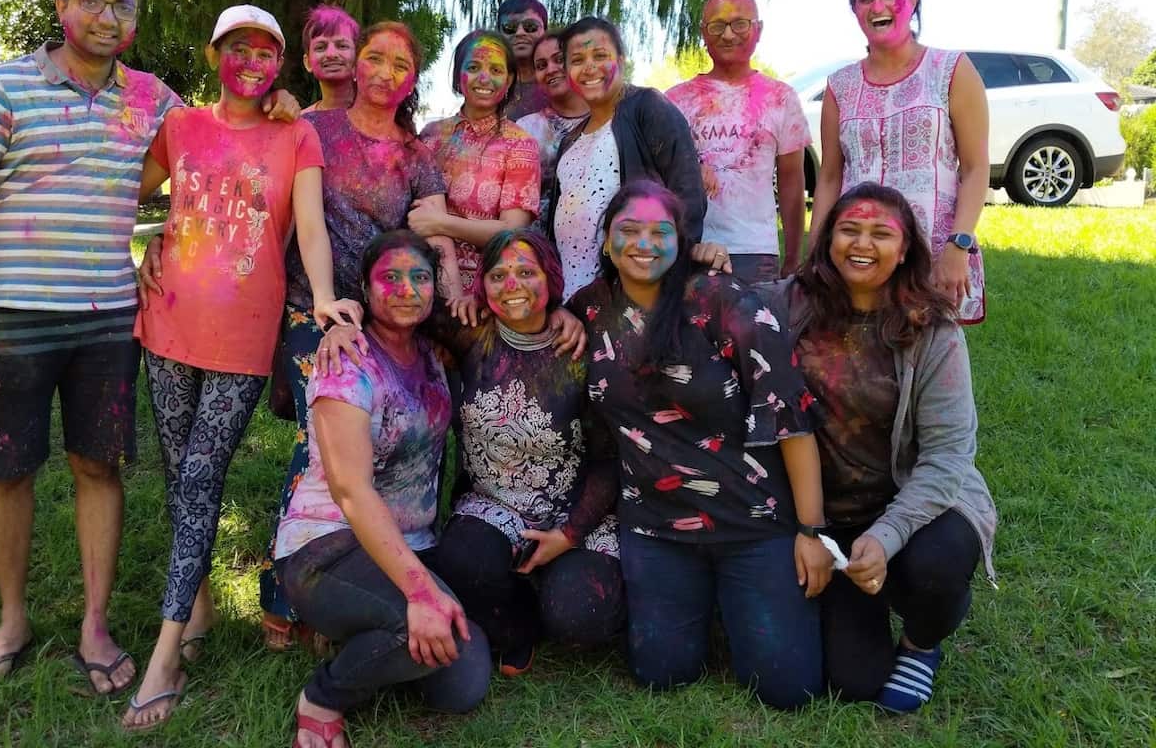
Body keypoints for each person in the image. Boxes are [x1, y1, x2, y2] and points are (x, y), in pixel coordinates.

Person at [0, 0, 295, 695]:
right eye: (90, 0)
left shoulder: (152, 100)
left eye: (121, 6)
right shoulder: (3, 87)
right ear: (62, 6)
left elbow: (211, 153)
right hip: (13, 311)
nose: (105, 17)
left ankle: (95, 624)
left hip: (108, 318)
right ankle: (12, 620)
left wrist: (280, 109)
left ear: (136, 19)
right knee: (10, 470)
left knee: (98, 466)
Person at [120, 6, 362, 730]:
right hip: (165, 322)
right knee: (178, 469)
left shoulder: (298, 134)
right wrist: (144, 248)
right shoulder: (182, 126)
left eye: (265, 52)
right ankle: (193, 606)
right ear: (215, 52)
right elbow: (130, 194)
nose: (251, 62)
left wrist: (322, 299)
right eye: (237, 49)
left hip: (241, 334)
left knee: (202, 473)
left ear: (279, 64)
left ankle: (164, 657)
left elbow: (311, 228)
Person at [567, 181, 829, 709]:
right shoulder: (588, 312)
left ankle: (742, 599)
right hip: (655, 523)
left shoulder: (723, 301)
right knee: (662, 673)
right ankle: (707, 605)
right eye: (629, 231)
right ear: (604, 243)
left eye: (661, 232)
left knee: (787, 687)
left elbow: (790, 417)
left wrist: (812, 531)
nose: (645, 243)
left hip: (751, 518)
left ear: (683, 242)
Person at [316, 230, 622, 677]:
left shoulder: (579, 349)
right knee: (460, 564)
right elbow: (404, 306)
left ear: (551, 279)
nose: (512, 285)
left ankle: (558, 584)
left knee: (580, 616)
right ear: (483, 287)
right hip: (496, 505)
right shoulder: (471, 333)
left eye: (526, 273)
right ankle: (516, 622)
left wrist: (570, 534)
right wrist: (346, 320)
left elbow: (610, 459)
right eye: (498, 275)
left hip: (574, 509)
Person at [253, 21, 462, 650]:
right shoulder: (315, 128)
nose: (383, 72)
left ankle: (376, 570)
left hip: (381, 318)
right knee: (315, 446)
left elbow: (430, 225)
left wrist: (449, 274)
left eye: (400, 65)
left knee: (401, 440)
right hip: (309, 312)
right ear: (356, 64)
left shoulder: (415, 152)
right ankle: (286, 590)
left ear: (410, 81)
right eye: (373, 57)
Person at [767, 182, 997, 713]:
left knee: (938, 564)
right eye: (848, 229)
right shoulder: (786, 305)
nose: (861, 243)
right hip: (823, 515)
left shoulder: (933, 329)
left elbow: (947, 456)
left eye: (879, 233)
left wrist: (889, 534)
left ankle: (921, 644)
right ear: (827, 239)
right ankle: (863, 593)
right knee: (854, 679)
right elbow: (710, 311)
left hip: (914, 500)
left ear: (904, 250)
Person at [276, 231, 490, 748]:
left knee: (462, 682)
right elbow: (351, 492)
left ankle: (362, 632)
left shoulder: (432, 357)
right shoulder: (345, 362)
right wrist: (419, 592)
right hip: (325, 546)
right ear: (366, 290)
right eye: (389, 278)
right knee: (409, 628)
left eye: (419, 277)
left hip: (403, 547)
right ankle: (323, 697)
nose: (406, 289)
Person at [810, 0, 989, 323]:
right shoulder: (839, 87)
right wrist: (814, 254)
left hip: (933, 250)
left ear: (914, 1)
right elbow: (829, 177)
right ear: (855, 11)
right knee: (857, 362)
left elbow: (975, 167)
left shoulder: (951, 70)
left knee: (928, 363)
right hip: (858, 253)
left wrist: (960, 246)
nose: (879, 6)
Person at [547, 17, 721, 297]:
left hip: (633, 296)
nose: (589, 66)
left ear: (622, 60)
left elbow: (687, 195)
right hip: (575, 300)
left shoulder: (648, 108)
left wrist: (666, 280)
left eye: (600, 55)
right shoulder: (569, 141)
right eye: (577, 59)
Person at [665, 0, 810, 281]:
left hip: (756, 252)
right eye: (717, 26)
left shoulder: (781, 98)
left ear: (758, 30)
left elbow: (792, 179)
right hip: (691, 249)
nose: (728, 35)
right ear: (703, 33)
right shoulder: (673, 101)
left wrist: (793, 258)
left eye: (739, 24)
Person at [414, 30, 541, 291]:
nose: (484, 78)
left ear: (509, 80)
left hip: (486, 291)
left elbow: (511, 231)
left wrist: (440, 222)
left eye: (496, 70)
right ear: (457, 75)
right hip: (420, 280)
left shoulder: (519, 144)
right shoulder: (431, 136)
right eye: (473, 67)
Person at [515, 30, 590, 232]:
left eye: (559, 59)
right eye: (541, 66)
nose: (551, 69)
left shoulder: (611, 121)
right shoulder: (525, 129)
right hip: (539, 250)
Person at [496, 0, 551, 123]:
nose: (520, 33)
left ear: (545, 31)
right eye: (510, 28)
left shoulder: (561, 81)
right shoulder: (489, 84)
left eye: (530, 27)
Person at [300, 4, 360, 112]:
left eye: (342, 46)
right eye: (320, 47)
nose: (331, 54)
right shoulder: (300, 123)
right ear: (307, 62)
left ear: (357, 57)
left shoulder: (387, 118)